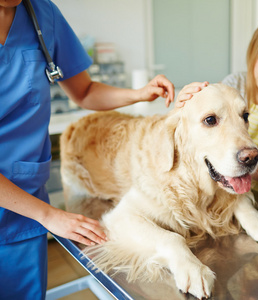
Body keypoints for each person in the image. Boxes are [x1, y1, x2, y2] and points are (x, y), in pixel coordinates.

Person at [0, 0, 174, 299]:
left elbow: (84, 91)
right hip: (35, 210)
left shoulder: (41, 14)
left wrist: (140, 94)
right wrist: (49, 215)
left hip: (25, 208)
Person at [177, 14, 258, 203]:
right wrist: (185, 103)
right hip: (221, 196)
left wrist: (242, 161)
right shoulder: (234, 84)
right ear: (253, 50)